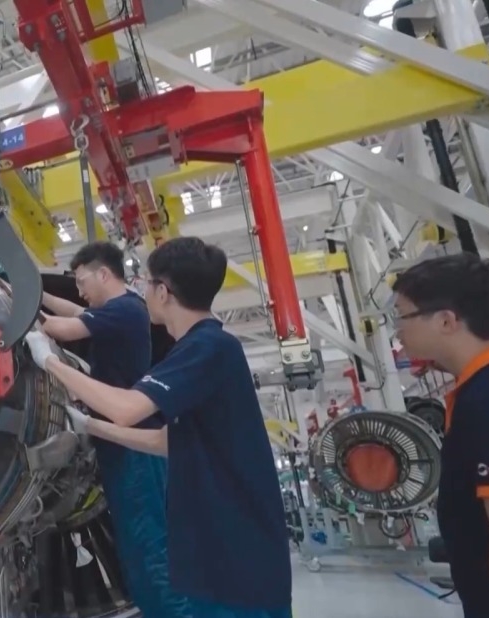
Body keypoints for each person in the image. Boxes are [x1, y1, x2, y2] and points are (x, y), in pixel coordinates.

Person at [26, 237, 292, 618]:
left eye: (145, 282)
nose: (141, 290)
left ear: (163, 292)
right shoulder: (199, 349)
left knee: (160, 578)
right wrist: (91, 426)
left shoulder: (208, 348)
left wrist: (49, 362)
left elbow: (125, 409)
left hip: (236, 559)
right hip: (219, 552)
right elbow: (165, 439)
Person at [38, 241, 190, 618]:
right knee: (141, 555)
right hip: (124, 452)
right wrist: (38, 295)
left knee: (152, 554)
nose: (79, 290)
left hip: (133, 452)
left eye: (82, 281)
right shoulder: (125, 310)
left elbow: (64, 327)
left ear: (103, 274)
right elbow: (78, 312)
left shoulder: (122, 311)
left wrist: (29, 322)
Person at [390, 253, 489, 617]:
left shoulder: (487, 397)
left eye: (402, 316)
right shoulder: (474, 391)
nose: (397, 331)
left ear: (446, 321)